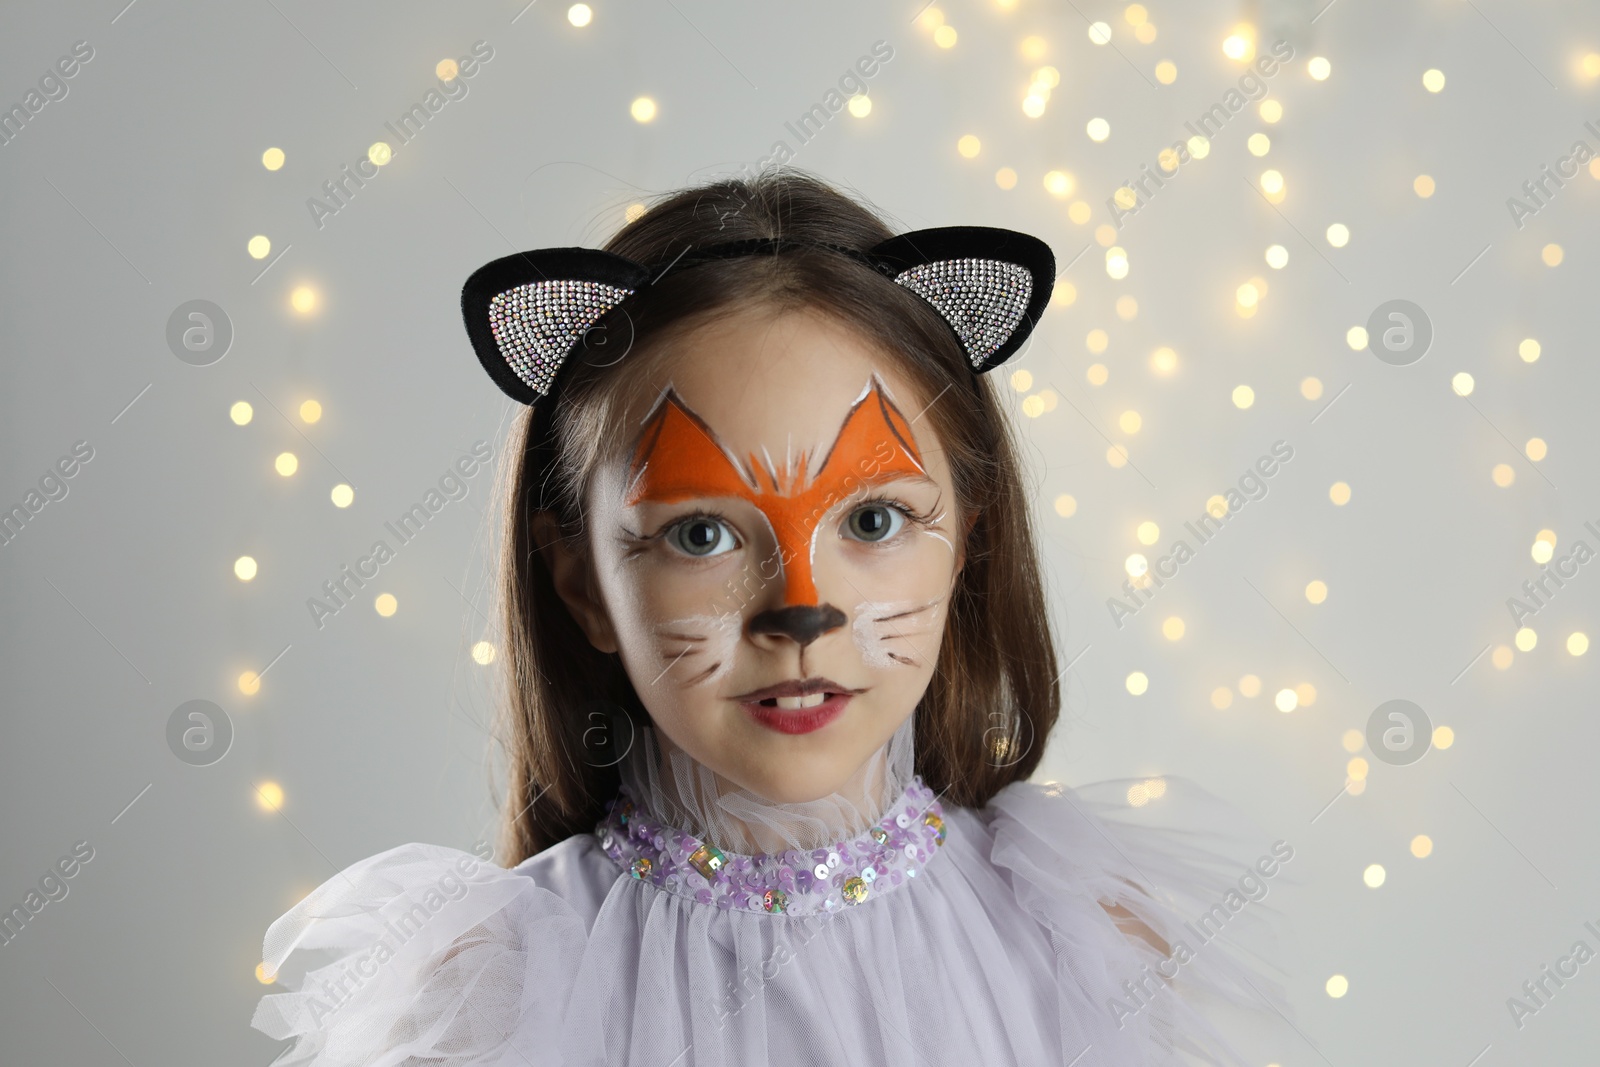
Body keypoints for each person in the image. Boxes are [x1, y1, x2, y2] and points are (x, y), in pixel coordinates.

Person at [251, 170, 1289, 1065]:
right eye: (701, 533)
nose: (800, 605)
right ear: (580, 584)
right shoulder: (487, 1000)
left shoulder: (1085, 940)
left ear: (967, 537)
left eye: (875, 517)